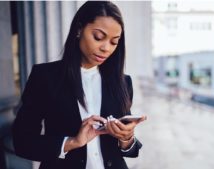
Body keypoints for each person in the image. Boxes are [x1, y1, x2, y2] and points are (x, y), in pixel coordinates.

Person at [12, 1, 146, 169]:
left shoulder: (123, 82)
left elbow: (129, 151)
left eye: (114, 42)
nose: (106, 48)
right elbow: (22, 142)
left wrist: (126, 138)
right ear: (78, 29)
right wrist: (72, 142)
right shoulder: (45, 77)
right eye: (98, 37)